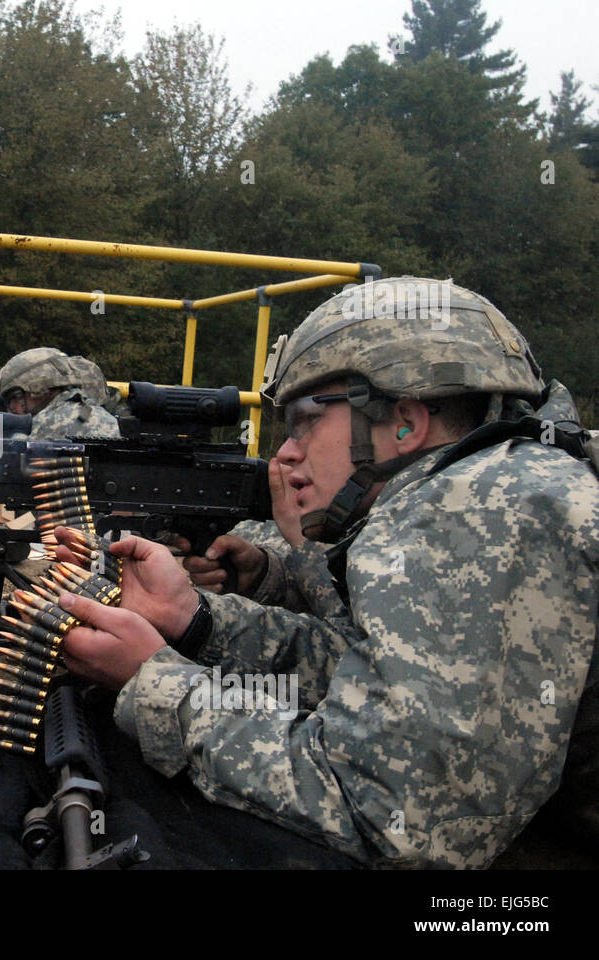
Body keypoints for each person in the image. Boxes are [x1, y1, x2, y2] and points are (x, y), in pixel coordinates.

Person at [53, 277, 599, 867]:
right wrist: (193, 620)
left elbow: (401, 824)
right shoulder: (499, 484)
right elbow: (365, 671)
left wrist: (155, 683)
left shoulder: (486, 506)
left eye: (305, 421)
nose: (285, 453)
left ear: (406, 423)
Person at [0, 347, 120, 440]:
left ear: (37, 388)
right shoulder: (106, 418)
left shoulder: (45, 424)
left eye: (14, 397)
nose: (11, 408)